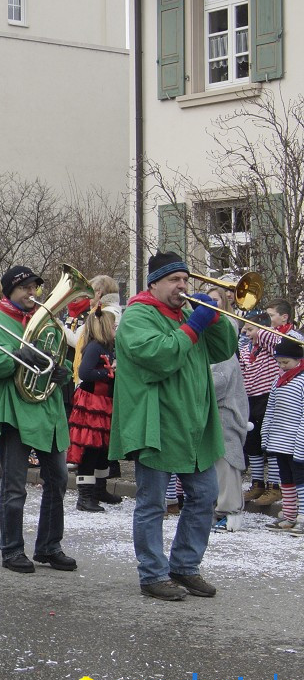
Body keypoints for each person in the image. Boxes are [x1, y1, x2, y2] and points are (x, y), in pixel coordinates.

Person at [109, 251, 237, 601]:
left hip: (194, 426)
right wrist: (194, 325)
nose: (182, 286)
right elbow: (159, 356)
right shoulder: (137, 315)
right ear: (154, 284)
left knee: (205, 497)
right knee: (153, 503)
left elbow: (224, 349)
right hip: (158, 425)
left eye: (185, 279)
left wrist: (216, 318)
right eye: (174, 280)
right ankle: (152, 574)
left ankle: (185, 565)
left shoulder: (185, 313)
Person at [0, 265, 77, 574]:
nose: (32, 294)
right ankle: (12, 548)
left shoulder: (45, 321)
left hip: (48, 409)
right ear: (8, 291)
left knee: (58, 479)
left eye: (35, 288)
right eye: (25, 288)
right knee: (15, 484)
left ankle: (49, 546)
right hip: (15, 410)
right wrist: (18, 356)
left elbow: (61, 358)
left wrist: (63, 373)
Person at [204, 286, 247, 533]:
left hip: (226, 412)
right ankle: (217, 508)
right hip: (213, 412)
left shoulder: (225, 350)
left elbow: (219, 381)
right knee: (215, 463)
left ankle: (229, 511)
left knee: (226, 462)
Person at [67, 305, 117, 512]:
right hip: (91, 403)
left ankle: (99, 490)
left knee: (102, 448)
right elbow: (85, 372)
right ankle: (85, 496)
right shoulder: (95, 347)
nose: (116, 328)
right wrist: (109, 373)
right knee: (90, 448)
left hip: (103, 402)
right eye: (113, 325)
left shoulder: (108, 346)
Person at [260, 338, 304, 532]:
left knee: (300, 479)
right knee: (285, 479)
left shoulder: (302, 380)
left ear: (298, 360)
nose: (282, 366)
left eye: (286, 362)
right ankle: (289, 514)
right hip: (279, 440)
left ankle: (302, 515)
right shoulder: (278, 381)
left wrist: (300, 443)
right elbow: (270, 409)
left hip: (296, 440)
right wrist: (266, 435)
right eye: (279, 362)